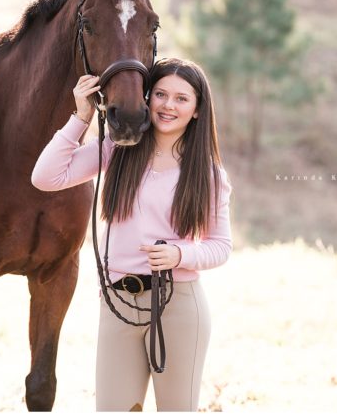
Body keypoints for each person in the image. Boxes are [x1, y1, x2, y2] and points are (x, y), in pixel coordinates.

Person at [31, 57, 232, 412]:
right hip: (119, 302)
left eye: (182, 98)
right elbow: (46, 177)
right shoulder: (118, 150)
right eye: (160, 94)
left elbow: (221, 246)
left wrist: (181, 255)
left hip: (179, 304)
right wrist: (80, 118)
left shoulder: (208, 174)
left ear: (198, 110)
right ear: (147, 98)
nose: (169, 105)